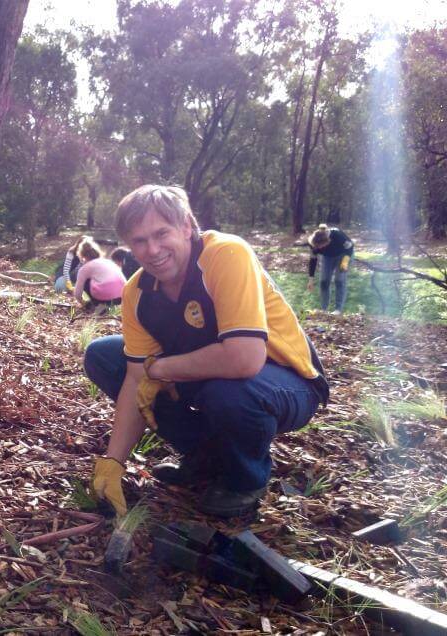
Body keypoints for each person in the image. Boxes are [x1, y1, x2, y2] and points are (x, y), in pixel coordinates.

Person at [83, 185, 329, 518]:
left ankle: (245, 480)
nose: (153, 249)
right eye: (139, 241)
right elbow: (136, 380)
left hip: (285, 380)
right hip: (213, 371)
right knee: (105, 356)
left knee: (228, 393)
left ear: (186, 226)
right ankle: (206, 455)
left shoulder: (225, 255)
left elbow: (244, 358)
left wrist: (160, 369)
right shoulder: (136, 292)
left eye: (161, 233)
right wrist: (114, 461)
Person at [306, 223, 354, 315]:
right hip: (327, 257)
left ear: (327, 242)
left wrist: (345, 261)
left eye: (320, 247)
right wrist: (310, 280)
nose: (318, 249)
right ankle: (324, 309)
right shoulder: (313, 243)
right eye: (317, 247)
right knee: (324, 281)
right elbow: (313, 260)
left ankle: (338, 309)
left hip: (343, 254)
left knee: (339, 280)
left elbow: (350, 247)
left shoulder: (337, 235)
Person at [72, 237, 126, 308]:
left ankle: (98, 304)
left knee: (85, 280)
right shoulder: (108, 261)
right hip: (122, 297)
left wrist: (82, 302)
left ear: (82, 256)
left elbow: (77, 294)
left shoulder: (85, 268)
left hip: (105, 299)